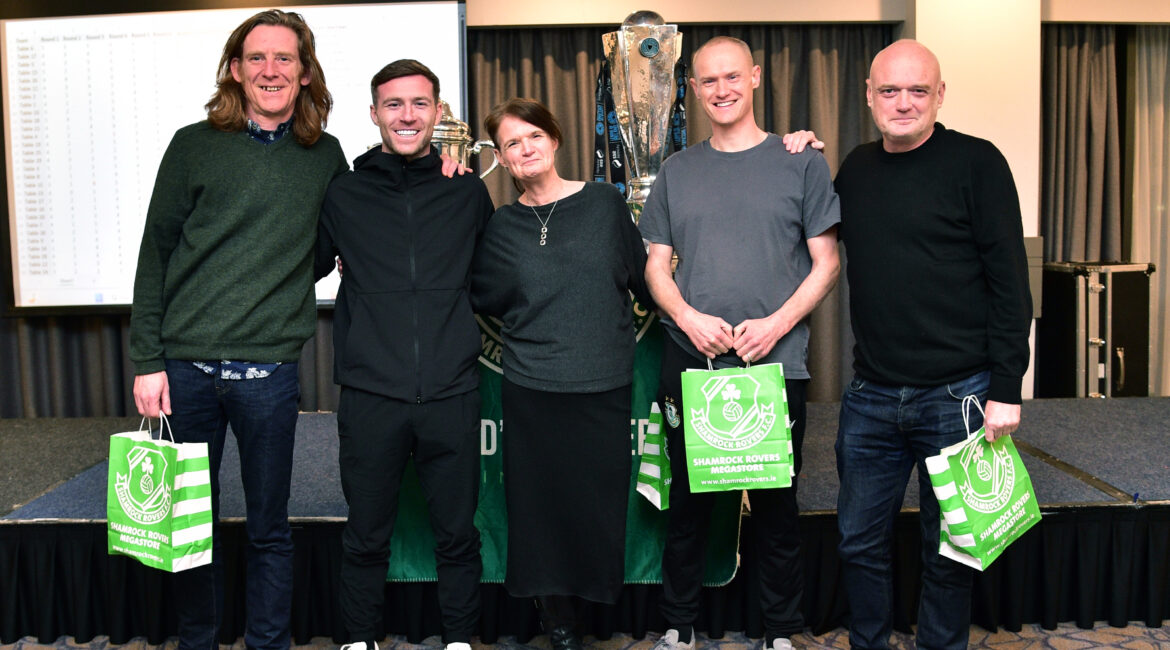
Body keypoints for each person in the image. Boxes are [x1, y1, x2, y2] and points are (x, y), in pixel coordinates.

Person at [128, 10, 347, 650]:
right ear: (235, 70)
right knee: (188, 527)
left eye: (284, 59)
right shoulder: (192, 144)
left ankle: (267, 643)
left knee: (269, 527)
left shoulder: (325, 156)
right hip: (183, 374)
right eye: (257, 58)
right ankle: (198, 641)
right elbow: (155, 253)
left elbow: (328, 247)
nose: (270, 70)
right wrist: (147, 360)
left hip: (268, 377)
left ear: (304, 74)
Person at [638, 36, 841, 650]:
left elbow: (826, 263)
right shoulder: (677, 171)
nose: (722, 89)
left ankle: (780, 629)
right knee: (691, 503)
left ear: (754, 77)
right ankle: (679, 624)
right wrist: (689, 316)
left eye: (732, 76)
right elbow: (654, 266)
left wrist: (776, 324)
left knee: (777, 506)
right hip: (692, 358)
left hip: (773, 363)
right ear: (692, 91)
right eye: (708, 81)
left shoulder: (800, 161)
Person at [831, 39, 1032, 650]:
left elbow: (1010, 285)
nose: (903, 102)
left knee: (951, 552)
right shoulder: (855, 169)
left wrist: (1006, 387)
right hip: (870, 398)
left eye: (918, 90)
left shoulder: (979, 163)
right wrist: (797, 152)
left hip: (962, 398)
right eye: (889, 90)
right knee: (858, 543)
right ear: (868, 96)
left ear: (939, 95)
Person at [314, 59, 494, 650]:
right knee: (366, 535)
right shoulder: (343, 192)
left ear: (439, 113)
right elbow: (305, 265)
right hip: (372, 395)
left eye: (420, 103)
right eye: (394, 104)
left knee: (457, 536)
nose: (407, 115)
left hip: (451, 393)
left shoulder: (465, 189)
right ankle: (359, 639)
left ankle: (461, 639)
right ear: (374, 114)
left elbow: (493, 277)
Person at [469, 98, 653, 650]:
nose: (524, 149)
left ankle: (594, 613)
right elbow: (486, 295)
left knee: (592, 506)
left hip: (603, 383)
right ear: (500, 157)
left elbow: (642, 282)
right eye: (511, 144)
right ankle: (559, 622)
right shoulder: (502, 225)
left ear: (554, 139)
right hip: (532, 387)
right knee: (539, 509)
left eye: (532, 136)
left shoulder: (603, 203)